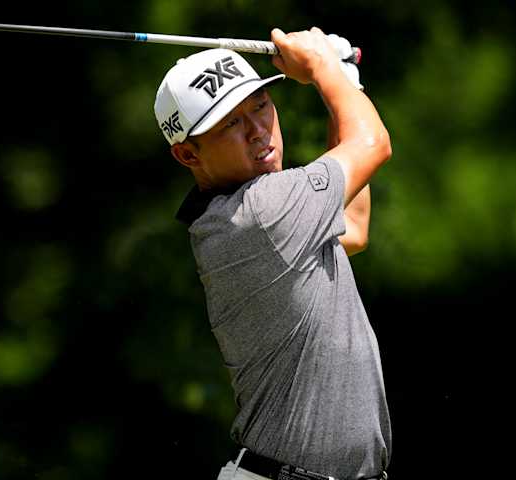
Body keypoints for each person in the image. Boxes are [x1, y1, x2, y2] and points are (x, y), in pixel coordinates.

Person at [153, 27, 392, 480]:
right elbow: (373, 144)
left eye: (260, 106)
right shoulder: (260, 213)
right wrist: (324, 68)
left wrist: (345, 80)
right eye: (231, 123)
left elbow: (355, 228)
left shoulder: (267, 215)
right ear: (187, 154)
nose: (258, 130)